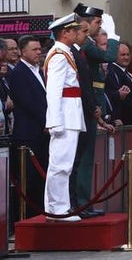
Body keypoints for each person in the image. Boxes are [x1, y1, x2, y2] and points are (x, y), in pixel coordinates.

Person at [70, 3, 119, 218]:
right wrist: (114, 35)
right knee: (84, 158)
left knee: (86, 158)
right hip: (86, 106)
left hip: (91, 104)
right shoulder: (86, 46)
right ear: (86, 23)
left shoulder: (87, 44)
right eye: (98, 22)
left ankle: (84, 202)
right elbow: (109, 57)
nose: (100, 27)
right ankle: (81, 202)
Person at [43, 14, 84, 221]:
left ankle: (56, 207)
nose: (77, 33)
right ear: (64, 33)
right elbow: (53, 91)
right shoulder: (59, 55)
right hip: (65, 116)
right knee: (60, 164)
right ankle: (57, 209)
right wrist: (55, 121)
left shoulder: (64, 53)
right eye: (74, 30)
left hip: (70, 114)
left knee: (63, 164)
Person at [8, 34, 47, 217]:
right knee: (28, 180)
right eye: (35, 49)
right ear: (23, 52)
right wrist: (47, 121)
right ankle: (26, 217)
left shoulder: (40, 71)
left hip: (42, 134)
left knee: (40, 179)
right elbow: (28, 102)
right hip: (28, 134)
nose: (39, 52)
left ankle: (40, 213)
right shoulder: (18, 73)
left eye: (40, 49)